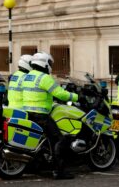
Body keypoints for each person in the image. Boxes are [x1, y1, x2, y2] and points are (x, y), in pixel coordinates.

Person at [22, 51, 78, 179]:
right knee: (59, 140)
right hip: (40, 114)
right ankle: (59, 171)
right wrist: (77, 96)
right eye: (50, 63)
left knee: (41, 141)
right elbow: (60, 94)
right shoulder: (44, 78)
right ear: (45, 63)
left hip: (28, 113)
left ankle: (36, 165)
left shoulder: (28, 76)